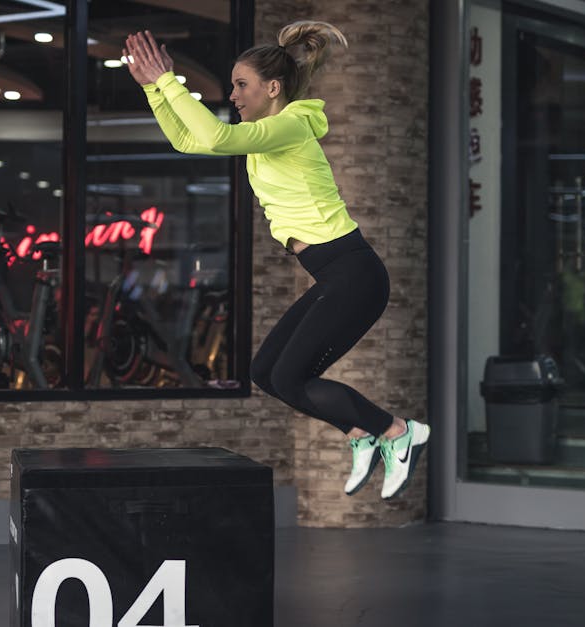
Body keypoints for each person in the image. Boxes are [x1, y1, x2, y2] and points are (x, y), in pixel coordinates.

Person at [123, 23, 429, 499]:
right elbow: (192, 141)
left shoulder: (288, 127)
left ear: (273, 88)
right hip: (335, 275)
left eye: (241, 85)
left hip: (354, 275)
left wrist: (168, 81)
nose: (233, 94)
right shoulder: (262, 135)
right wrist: (155, 92)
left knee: (290, 377)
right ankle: (361, 433)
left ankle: (397, 431)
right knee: (266, 373)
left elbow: (218, 137)